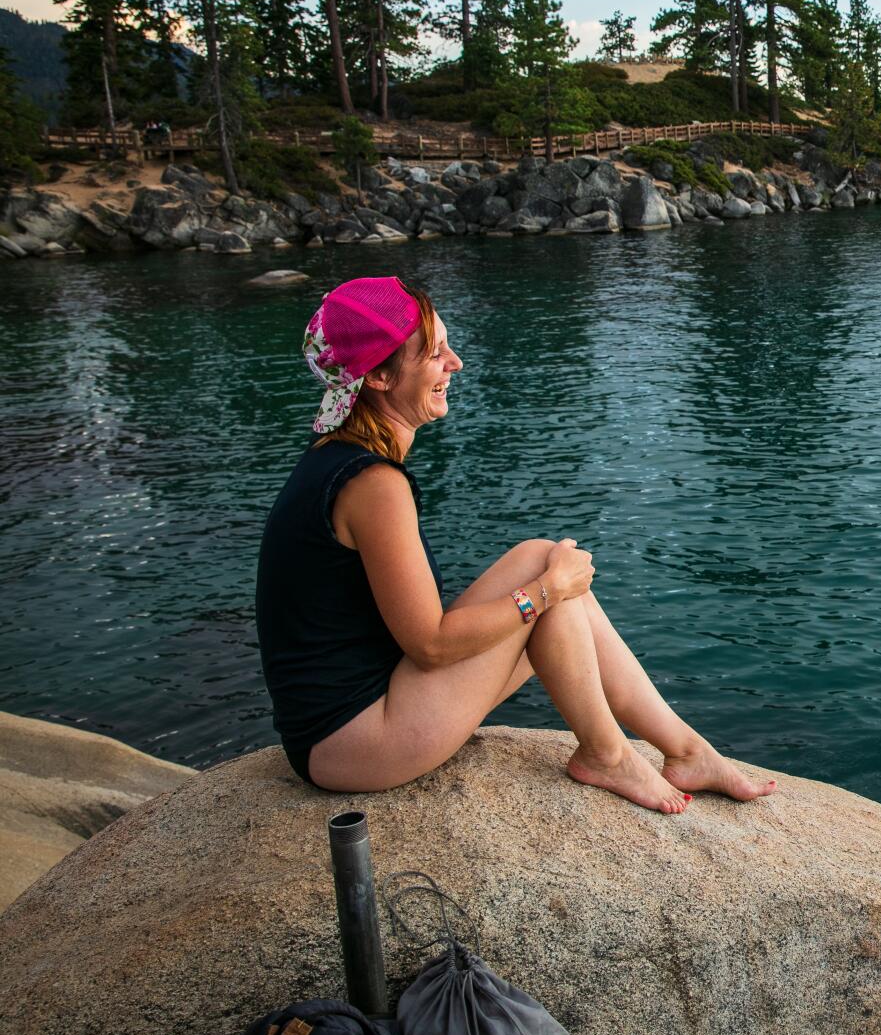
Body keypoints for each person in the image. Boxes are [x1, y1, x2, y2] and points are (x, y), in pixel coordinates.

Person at [255, 276, 774, 814]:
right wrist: (546, 591)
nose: (454, 363)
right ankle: (608, 754)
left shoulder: (337, 456)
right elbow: (429, 644)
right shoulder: (373, 486)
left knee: (539, 560)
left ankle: (682, 750)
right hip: (353, 741)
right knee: (550, 586)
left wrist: (548, 586)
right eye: (435, 354)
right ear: (381, 376)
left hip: (354, 718)